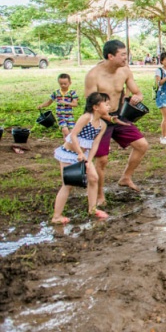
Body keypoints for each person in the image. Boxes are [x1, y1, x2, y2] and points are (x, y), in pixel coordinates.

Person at [84, 39, 150, 202]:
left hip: (118, 115)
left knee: (142, 145)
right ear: (110, 56)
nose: (126, 58)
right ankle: (99, 194)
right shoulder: (94, 75)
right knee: (102, 159)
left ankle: (125, 178)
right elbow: (91, 105)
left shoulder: (125, 71)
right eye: (123, 54)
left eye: (126, 54)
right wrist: (108, 117)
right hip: (100, 119)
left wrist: (137, 97)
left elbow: (137, 91)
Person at [51, 92, 111, 225]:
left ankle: (92, 209)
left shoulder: (102, 124)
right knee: (68, 184)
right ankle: (56, 216)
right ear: (95, 107)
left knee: (94, 178)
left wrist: (89, 160)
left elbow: (95, 144)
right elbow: (73, 136)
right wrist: (79, 153)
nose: (109, 107)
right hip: (69, 154)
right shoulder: (86, 118)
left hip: (84, 156)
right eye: (106, 104)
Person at [39, 73, 79, 138]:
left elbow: (75, 104)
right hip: (60, 116)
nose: (63, 85)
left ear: (70, 83)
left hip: (69, 116)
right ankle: (67, 146)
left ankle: (70, 145)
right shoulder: (56, 93)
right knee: (65, 130)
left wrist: (66, 102)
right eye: (61, 84)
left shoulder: (72, 93)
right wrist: (42, 105)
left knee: (72, 132)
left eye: (65, 84)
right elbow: (49, 102)